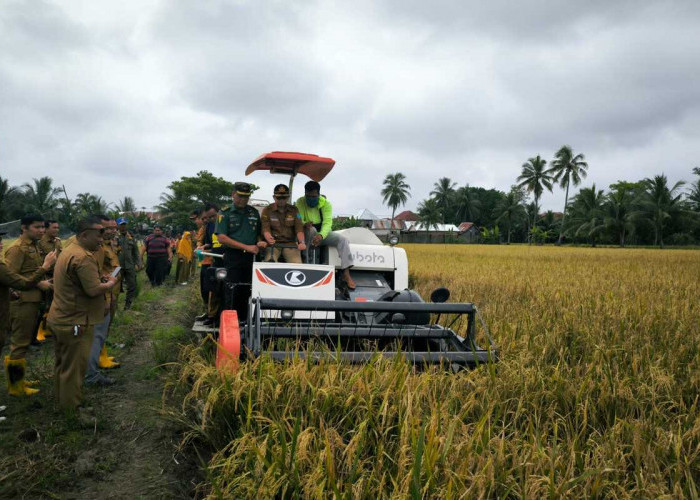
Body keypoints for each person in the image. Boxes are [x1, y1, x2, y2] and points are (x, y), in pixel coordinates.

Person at [48, 217, 118, 410]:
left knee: (63, 365)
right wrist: (110, 283)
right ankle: (73, 410)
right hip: (75, 320)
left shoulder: (70, 250)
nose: (101, 239)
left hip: (61, 317)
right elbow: (94, 290)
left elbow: (80, 282)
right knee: (74, 370)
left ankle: (62, 402)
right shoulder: (83, 257)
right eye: (99, 234)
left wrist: (97, 278)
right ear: (84, 234)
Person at [1, 230, 55, 396]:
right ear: (25, 228)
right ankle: (16, 386)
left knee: (22, 343)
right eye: (37, 226)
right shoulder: (16, 249)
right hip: (22, 302)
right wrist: (44, 270)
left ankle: (19, 380)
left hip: (28, 300)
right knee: (19, 343)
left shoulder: (34, 247)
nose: (1, 243)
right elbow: (15, 278)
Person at [214, 182, 266, 322]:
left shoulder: (253, 212)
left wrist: (260, 241)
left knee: (250, 290)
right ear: (233, 195)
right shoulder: (224, 213)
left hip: (252, 257)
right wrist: (246, 246)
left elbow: (259, 233)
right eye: (240, 196)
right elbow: (222, 238)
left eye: (246, 197)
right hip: (234, 256)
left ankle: (246, 323)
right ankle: (227, 324)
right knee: (232, 290)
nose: (243, 199)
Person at [296, 181, 356, 289]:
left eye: (313, 196)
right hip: (307, 233)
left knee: (343, 240)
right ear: (305, 194)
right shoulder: (299, 202)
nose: (310, 198)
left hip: (322, 233)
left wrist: (321, 236)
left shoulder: (326, 204)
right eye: (308, 196)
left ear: (318, 194)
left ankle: (346, 274)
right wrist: (304, 224)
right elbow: (299, 218)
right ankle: (307, 266)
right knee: (311, 230)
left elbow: (328, 223)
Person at [84, 216, 120, 386]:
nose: (109, 231)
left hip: (107, 290)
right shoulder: (90, 250)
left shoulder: (105, 245)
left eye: (112, 228)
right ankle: (90, 375)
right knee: (94, 335)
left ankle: (96, 364)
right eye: (106, 229)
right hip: (98, 295)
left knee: (100, 333)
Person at [261, 184, 306, 263]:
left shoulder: (294, 210)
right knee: (269, 263)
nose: (281, 200)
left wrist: (302, 242)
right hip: (273, 245)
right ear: (274, 197)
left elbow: (299, 229)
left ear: (288, 197)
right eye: (278, 198)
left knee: (297, 265)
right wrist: (268, 237)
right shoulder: (267, 210)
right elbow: (265, 228)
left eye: (284, 198)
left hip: (290, 245)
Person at [35, 220, 62, 342]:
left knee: (52, 303)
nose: (57, 230)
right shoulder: (39, 242)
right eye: (54, 227)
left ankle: (47, 327)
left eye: (58, 227)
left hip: (55, 275)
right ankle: (38, 330)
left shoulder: (58, 242)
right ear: (46, 229)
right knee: (43, 303)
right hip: (43, 275)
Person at [116, 217, 141, 310]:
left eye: (124, 224)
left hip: (130, 265)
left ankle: (128, 305)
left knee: (132, 285)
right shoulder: (114, 237)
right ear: (118, 225)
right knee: (116, 286)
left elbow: (135, 251)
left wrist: (139, 263)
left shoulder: (131, 236)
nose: (123, 226)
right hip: (117, 267)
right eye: (121, 225)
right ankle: (114, 306)